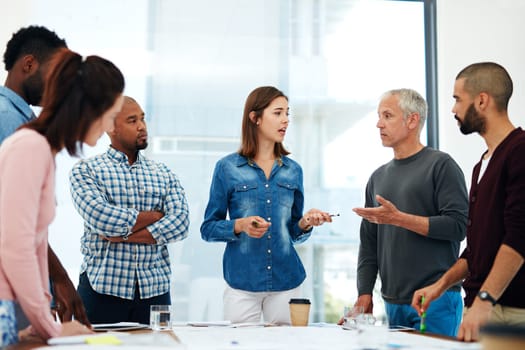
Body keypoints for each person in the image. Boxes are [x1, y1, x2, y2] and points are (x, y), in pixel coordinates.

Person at [0, 48, 126, 346]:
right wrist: (49, 327)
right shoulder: (30, 148)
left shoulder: (40, 150)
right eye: (109, 116)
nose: (110, 128)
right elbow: (14, 244)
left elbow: (35, 241)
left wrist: (42, 315)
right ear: (87, 110)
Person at [412, 62, 525, 342]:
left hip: (509, 311)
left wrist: (485, 301)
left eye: (457, 99)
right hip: (481, 308)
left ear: (482, 100)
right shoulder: (481, 165)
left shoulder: (520, 152)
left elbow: (520, 236)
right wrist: (439, 286)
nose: (453, 109)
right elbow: (477, 251)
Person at [200, 86, 332, 325]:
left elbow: (293, 233)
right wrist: (239, 225)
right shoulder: (227, 168)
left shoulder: (293, 170)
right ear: (255, 118)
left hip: (287, 281)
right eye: (278, 113)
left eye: (287, 113)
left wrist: (305, 223)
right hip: (242, 283)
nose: (286, 120)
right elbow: (208, 229)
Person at [352, 89, 468, 336]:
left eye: (387, 115)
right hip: (392, 302)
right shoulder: (377, 178)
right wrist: (364, 293)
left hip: (436, 300)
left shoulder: (441, 166)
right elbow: (369, 243)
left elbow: (458, 226)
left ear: (412, 120)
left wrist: (399, 219)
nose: (378, 123)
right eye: (379, 116)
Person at [69, 96, 190, 324]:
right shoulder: (86, 171)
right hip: (101, 289)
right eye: (132, 120)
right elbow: (102, 219)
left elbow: (181, 224)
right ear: (111, 128)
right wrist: (156, 216)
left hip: (155, 291)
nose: (142, 126)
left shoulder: (163, 173)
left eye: (143, 119)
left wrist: (121, 235)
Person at [0, 25, 90, 330]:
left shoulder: (22, 120)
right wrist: (59, 278)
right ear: (29, 65)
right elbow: (14, 226)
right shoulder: (11, 121)